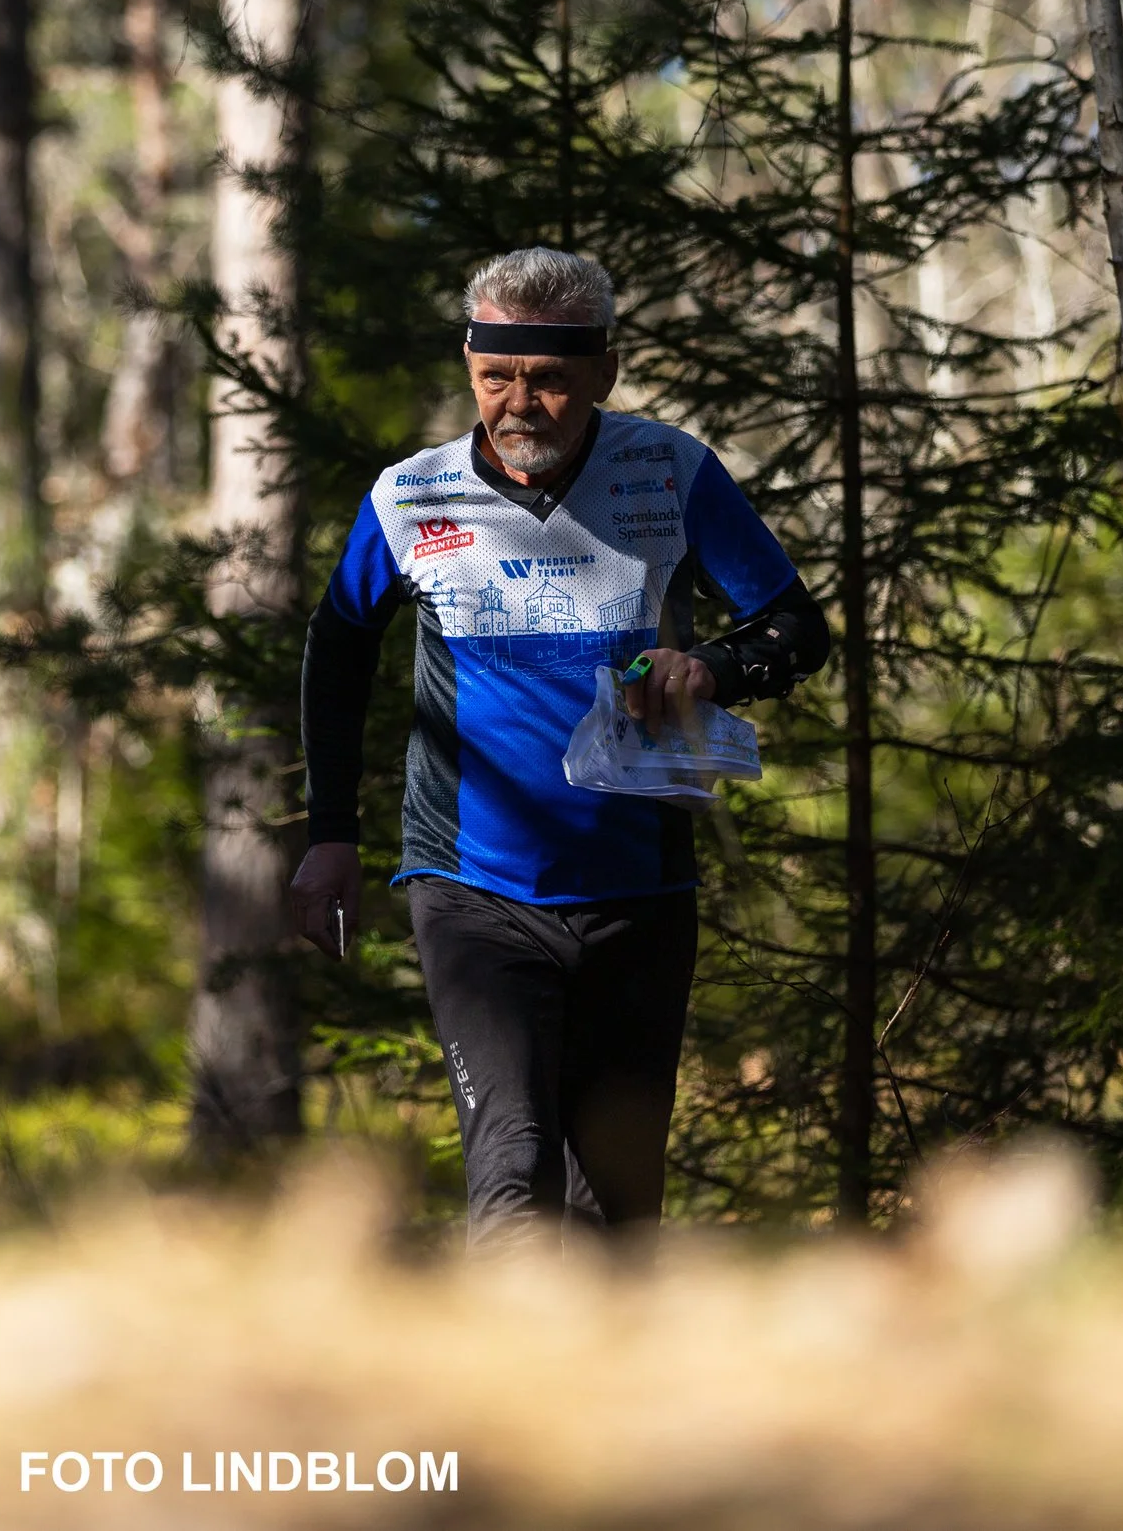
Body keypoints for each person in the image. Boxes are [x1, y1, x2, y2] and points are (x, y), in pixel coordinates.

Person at [290, 247, 829, 1250]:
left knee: (617, 1203)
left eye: (548, 380)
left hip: (640, 892)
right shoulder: (409, 497)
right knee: (512, 1167)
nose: (520, 404)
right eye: (496, 377)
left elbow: (796, 627)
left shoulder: (668, 472)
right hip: (472, 887)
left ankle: (608, 1401)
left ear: (604, 374)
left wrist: (713, 665)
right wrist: (329, 834)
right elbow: (337, 647)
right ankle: (500, 1399)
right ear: (468, 365)